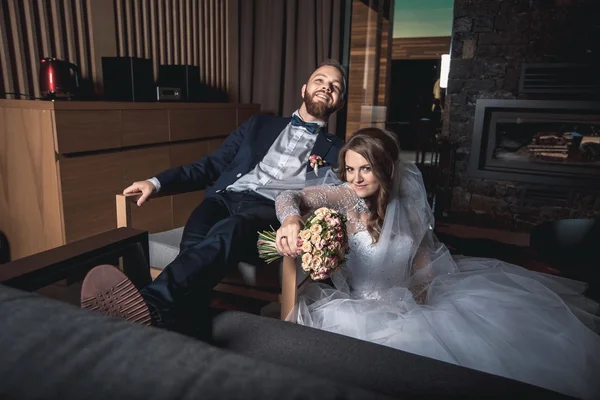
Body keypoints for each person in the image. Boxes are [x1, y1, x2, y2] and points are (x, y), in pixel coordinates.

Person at [274, 127, 600, 399]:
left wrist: (423, 294)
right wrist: (290, 220)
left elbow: (420, 258)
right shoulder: (346, 195)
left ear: (385, 168)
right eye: (350, 168)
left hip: (410, 302)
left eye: (366, 168)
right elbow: (289, 197)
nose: (356, 178)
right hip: (360, 309)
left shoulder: (408, 204)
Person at [80, 59, 347, 335]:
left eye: (335, 86)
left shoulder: (338, 149)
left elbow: (339, 196)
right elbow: (212, 165)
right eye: (320, 80)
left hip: (268, 212)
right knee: (194, 247)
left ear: (338, 103)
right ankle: (184, 328)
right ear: (304, 88)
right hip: (221, 200)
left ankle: (150, 302)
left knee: (229, 230)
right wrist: (157, 182)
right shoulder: (259, 124)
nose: (326, 87)